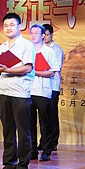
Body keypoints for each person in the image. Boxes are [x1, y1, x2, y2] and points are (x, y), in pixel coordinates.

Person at [0, 13, 35, 169]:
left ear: (19, 27)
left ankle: (22, 165)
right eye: (6, 25)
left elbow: (28, 68)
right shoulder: (2, 47)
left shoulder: (26, 45)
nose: (8, 28)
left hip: (19, 92)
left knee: (23, 131)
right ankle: (9, 165)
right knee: (8, 130)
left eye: (12, 25)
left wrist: (7, 69)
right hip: (3, 91)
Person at [29, 24, 60, 161]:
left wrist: (35, 72)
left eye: (36, 33)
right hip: (28, 90)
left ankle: (47, 150)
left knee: (45, 122)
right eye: (31, 33)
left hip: (43, 91)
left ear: (43, 35)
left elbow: (52, 72)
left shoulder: (49, 51)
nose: (33, 35)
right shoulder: (27, 50)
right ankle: (32, 151)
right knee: (30, 123)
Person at [42, 24, 64, 150]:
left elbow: (56, 67)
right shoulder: (38, 48)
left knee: (52, 114)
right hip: (40, 86)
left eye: (47, 34)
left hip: (53, 85)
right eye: (43, 34)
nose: (45, 37)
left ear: (52, 35)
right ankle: (44, 141)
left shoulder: (57, 49)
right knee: (43, 116)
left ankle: (53, 142)